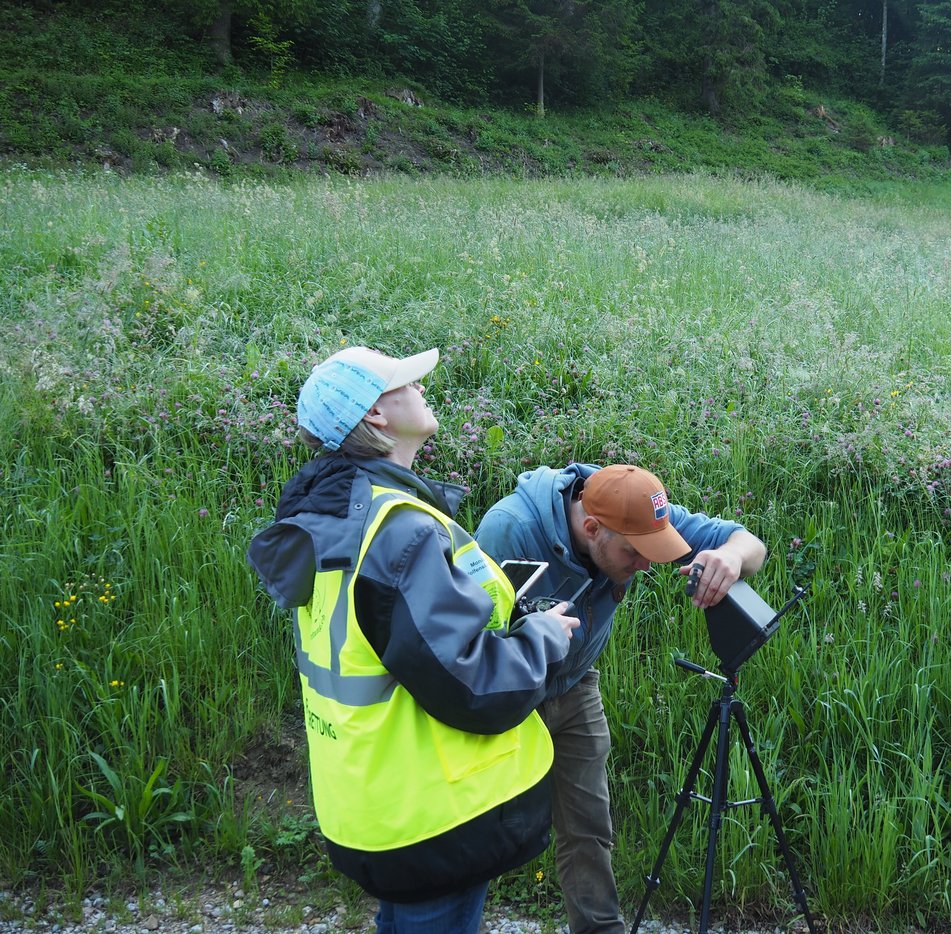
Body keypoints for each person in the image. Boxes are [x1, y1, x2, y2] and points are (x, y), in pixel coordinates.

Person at [247, 346, 580, 934]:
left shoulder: (330, 515)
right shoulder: (399, 527)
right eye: (406, 382)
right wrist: (542, 639)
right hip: (433, 811)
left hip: (369, 800)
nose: (422, 388)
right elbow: (471, 681)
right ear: (375, 415)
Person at [474, 462, 767, 934]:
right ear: (592, 529)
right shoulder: (511, 530)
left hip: (574, 687)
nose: (647, 565)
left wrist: (730, 557)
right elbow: (470, 643)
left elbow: (748, 543)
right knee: (479, 828)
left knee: (588, 825)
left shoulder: (637, 511)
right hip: (507, 695)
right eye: (635, 554)